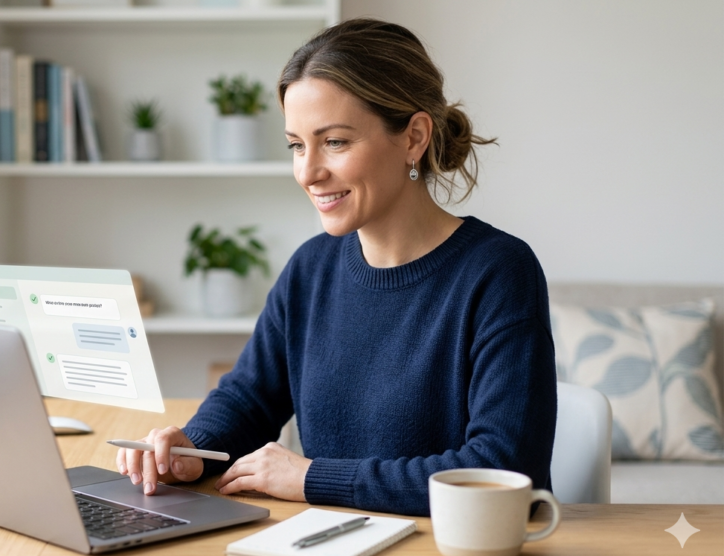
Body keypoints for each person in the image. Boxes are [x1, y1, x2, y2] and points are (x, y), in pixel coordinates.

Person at [117, 18, 557, 516]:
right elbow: (249, 399)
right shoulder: (311, 268)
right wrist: (192, 448)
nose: (308, 172)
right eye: (296, 145)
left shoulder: (499, 272)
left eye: (335, 142)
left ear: (413, 138)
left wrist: (311, 477)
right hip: (325, 542)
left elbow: (503, 468)